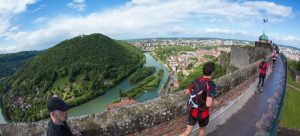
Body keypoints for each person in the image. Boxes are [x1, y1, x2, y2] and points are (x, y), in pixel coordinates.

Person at [180, 62, 217, 136]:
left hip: (192, 110)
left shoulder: (197, 79)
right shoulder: (211, 84)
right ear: (212, 72)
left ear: (203, 71)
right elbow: (208, 104)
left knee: (187, 132)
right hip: (203, 113)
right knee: (202, 129)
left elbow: (187, 92)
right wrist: (215, 103)